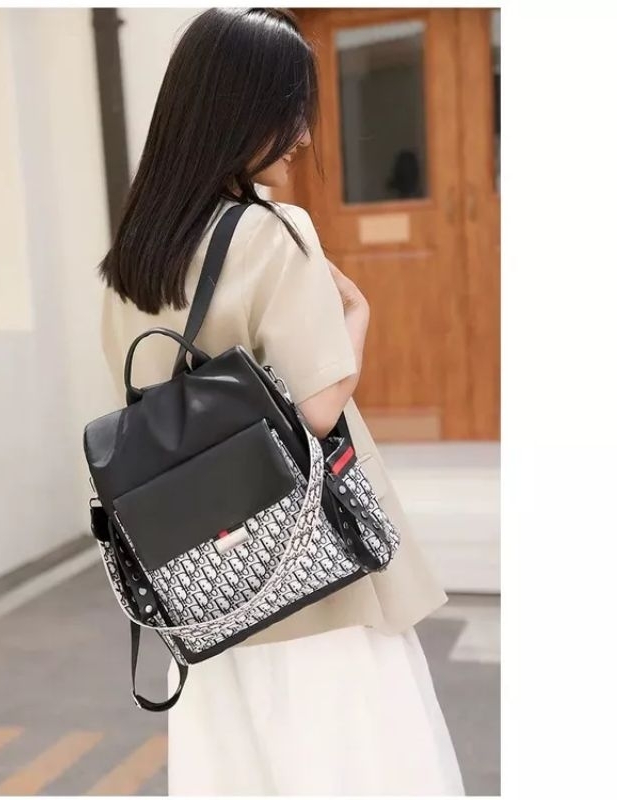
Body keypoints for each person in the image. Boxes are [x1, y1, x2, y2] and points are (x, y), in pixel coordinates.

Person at [97, 8, 465, 796]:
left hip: (201, 583)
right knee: (350, 761)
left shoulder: (137, 253)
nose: (302, 135)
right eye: (292, 109)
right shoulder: (272, 231)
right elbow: (317, 410)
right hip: (304, 569)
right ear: (243, 110)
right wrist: (358, 316)